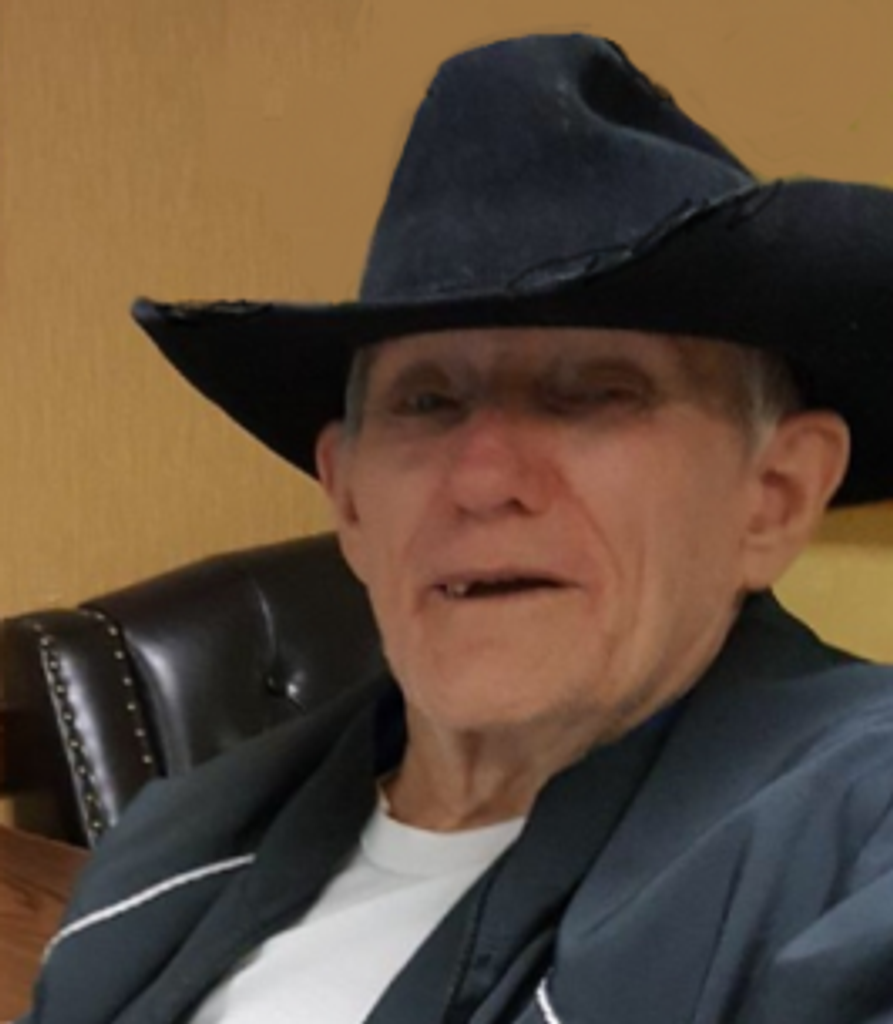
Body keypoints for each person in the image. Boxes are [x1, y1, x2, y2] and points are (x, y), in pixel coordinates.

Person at [21, 33, 893, 1024]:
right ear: (350, 498)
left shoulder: (855, 833)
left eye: (591, 393)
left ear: (773, 495)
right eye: (426, 401)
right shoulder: (162, 853)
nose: (480, 479)